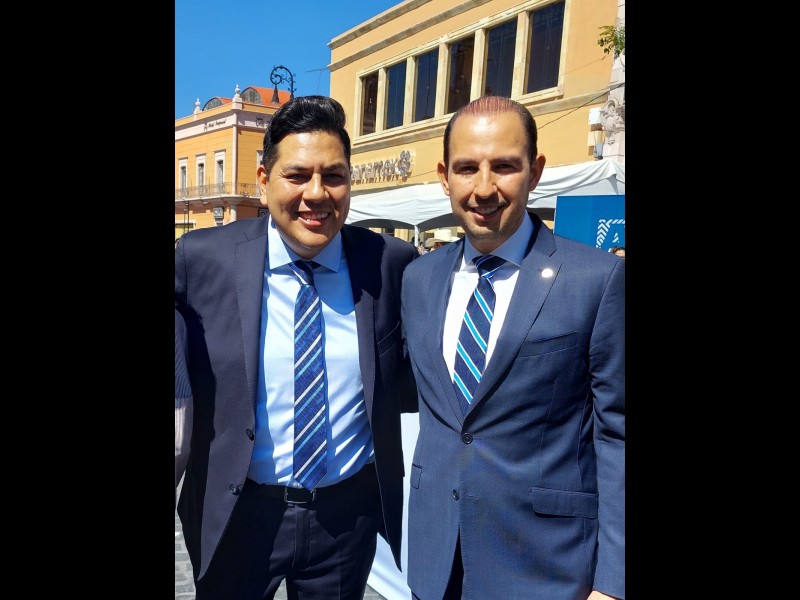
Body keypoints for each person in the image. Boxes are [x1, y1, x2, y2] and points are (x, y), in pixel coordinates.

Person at [175, 95, 418, 600]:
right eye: (297, 175)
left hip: (345, 519)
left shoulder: (391, 262)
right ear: (264, 181)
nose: (316, 194)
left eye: (333, 176)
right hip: (237, 511)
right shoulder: (201, 260)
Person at [400, 96, 624, 600]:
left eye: (504, 166)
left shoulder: (597, 279)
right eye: (467, 168)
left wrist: (614, 582)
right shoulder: (418, 279)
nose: (484, 188)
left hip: (548, 569)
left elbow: (619, 434)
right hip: (436, 562)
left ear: (535, 171)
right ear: (444, 176)